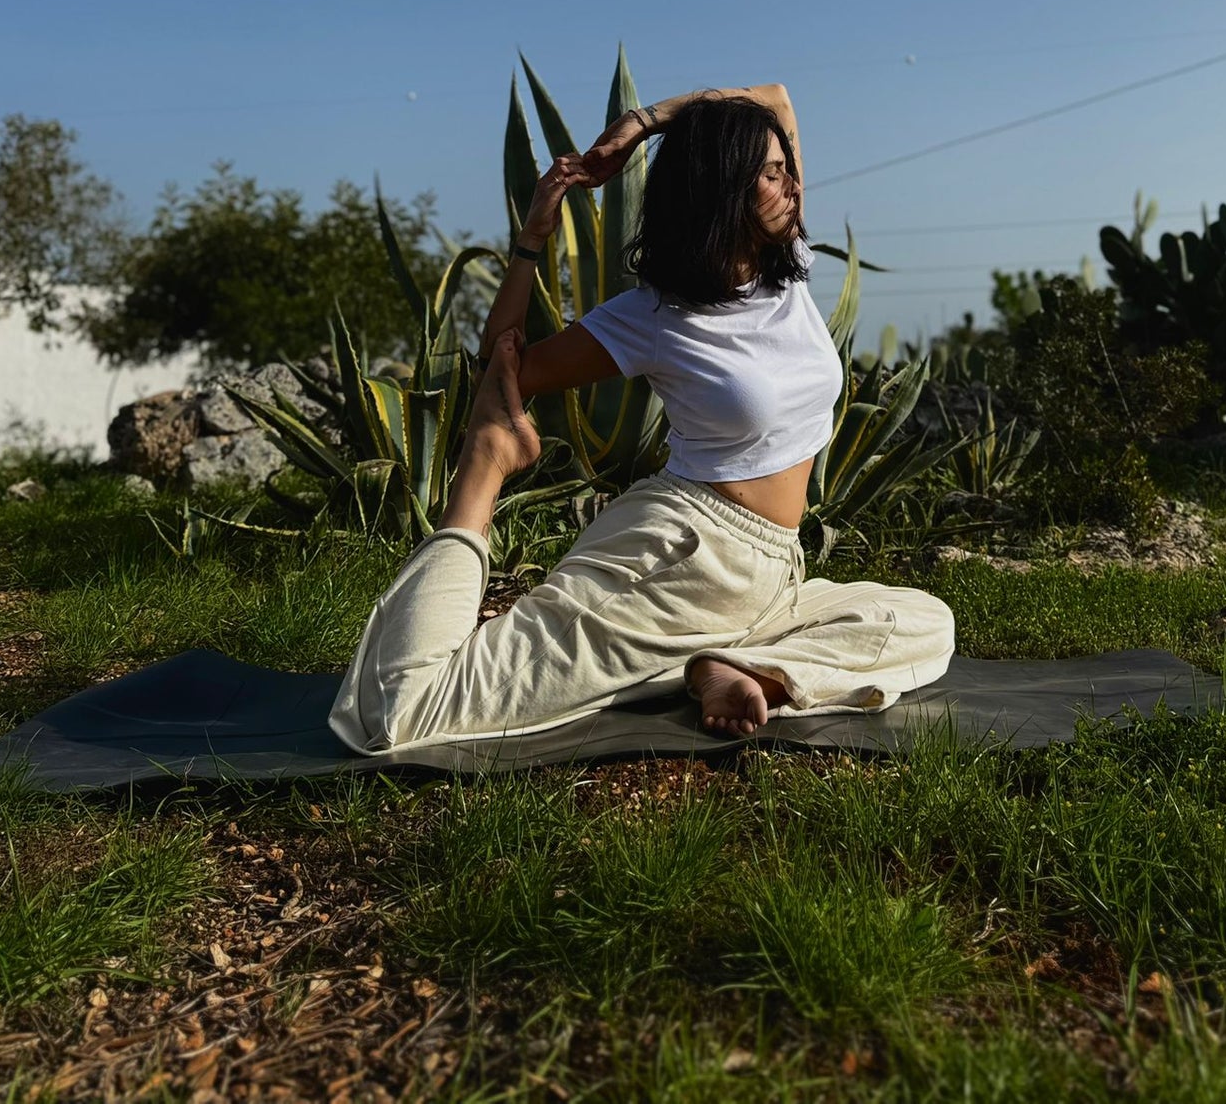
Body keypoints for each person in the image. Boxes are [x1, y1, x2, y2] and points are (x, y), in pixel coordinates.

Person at [328, 84, 955, 757]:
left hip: (774, 574)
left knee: (925, 621)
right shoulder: (652, 316)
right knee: (410, 714)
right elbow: (505, 362)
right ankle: (478, 483)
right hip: (676, 560)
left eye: (785, 167)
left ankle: (750, 668)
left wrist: (640, 122)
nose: (793, 185)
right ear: (723, 190)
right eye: (771, 174)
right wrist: (531, 239)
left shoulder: (788, 266)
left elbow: (772, 95)